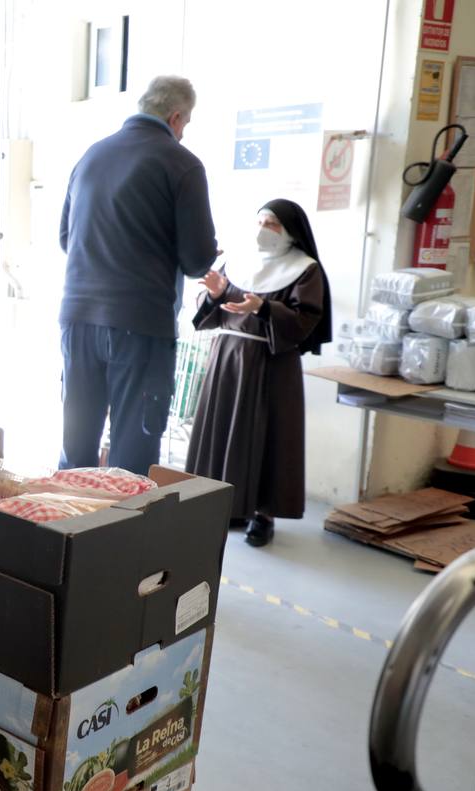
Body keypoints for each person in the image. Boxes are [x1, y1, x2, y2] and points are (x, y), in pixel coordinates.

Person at [58, 75, 218, 475]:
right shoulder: (181, 163)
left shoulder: (91, 156)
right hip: (140, 324)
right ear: (176, 116)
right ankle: (118, 535)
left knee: (76, 445)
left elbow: (66, 238)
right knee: (132, 451)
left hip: (77, 318)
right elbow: (198, 260)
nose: (183, 133)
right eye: (186, 124)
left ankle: (61, 526)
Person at [185, 199, 332, 547]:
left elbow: (305, 320)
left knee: (267, 436)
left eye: (272, 224)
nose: (263, 230)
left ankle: (262, 515)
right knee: (222, 431)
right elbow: (215, 306)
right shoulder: (236, 261)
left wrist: (265, 308)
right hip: (228, 357)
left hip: (271, 363)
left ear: (290, 233)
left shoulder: (305, 269)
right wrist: (216, 294)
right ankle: (224, 507)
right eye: (260, 221)